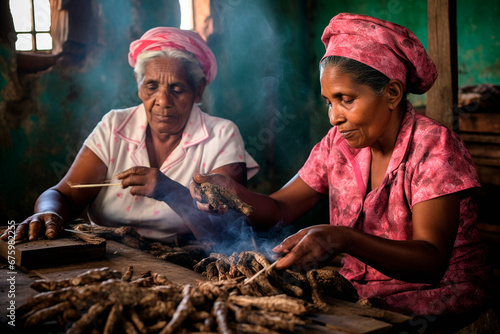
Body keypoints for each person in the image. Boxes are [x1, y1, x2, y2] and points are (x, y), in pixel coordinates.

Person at [190, 13, 492, 322]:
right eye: (328, 102)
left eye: (346, 99)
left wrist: (343, 238)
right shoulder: (337, 144)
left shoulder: (434, 147)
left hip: (438, 297)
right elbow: (280, 208)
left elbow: (430, 262)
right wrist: (234, 193)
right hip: (361, 292)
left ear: (392, 94)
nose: (334, 117)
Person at [2, 27, 258, 243]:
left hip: (187, 264)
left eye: (177, 89)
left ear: (198, 90)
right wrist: (48, 213)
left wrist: (171, 192)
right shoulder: (115, 125)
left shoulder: (221, 135)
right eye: (151, 86)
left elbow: (227, 231)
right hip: (107, 258)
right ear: (139, 88)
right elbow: (64, 195)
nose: (162, 101)